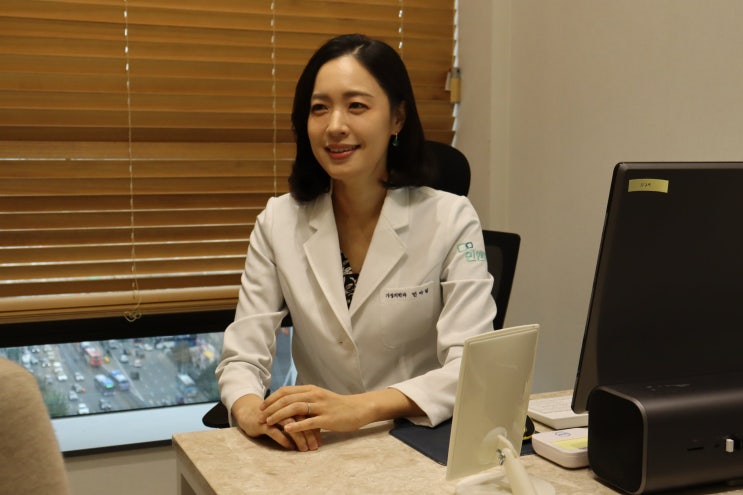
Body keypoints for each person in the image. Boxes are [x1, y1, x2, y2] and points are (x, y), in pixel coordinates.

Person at [216, 33, 495, 452]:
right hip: (315, 443)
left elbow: (471, 366)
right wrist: (250, 408)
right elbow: (242, 355)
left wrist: (361, 408)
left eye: (357, 106)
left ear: (397, 118)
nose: (334, 126)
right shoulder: (278, 221)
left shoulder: (451, 218)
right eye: (319, 108)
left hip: (419, 438)